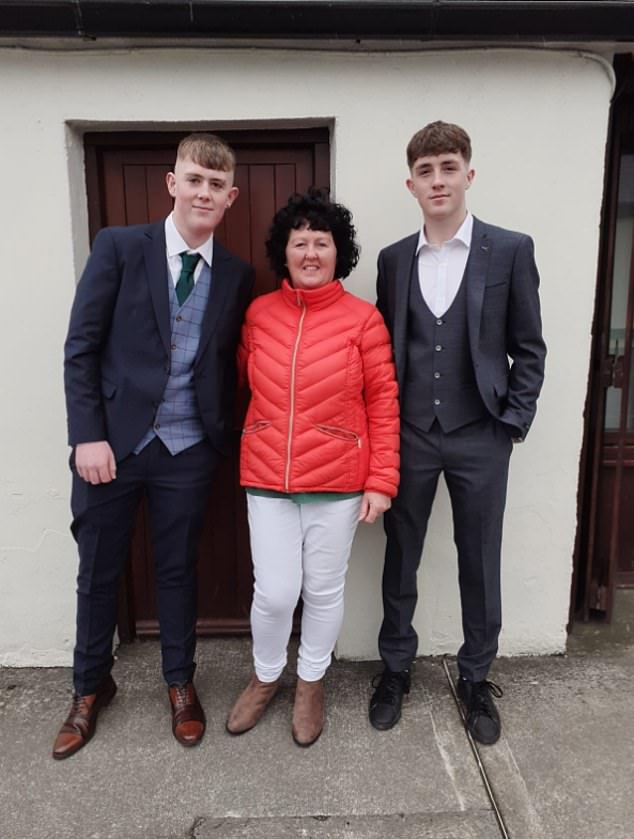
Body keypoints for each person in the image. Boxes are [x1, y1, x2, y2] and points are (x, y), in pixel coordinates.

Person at [54, 133, 254, 760]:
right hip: (110, 445)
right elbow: (81, 346)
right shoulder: (119, 247)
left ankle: (179, 681)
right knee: (98, 572)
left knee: (176, 569)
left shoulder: (238, 275)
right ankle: (90, 688)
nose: (203, 192)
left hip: (189, 449)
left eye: (215, 185)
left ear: (230, 197)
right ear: (173, 184)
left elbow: (228, 366)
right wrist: (87, 434)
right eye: (193, 179)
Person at [369, 121, 546, 745]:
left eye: (448, 167)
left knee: (480, 559)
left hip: (480, 434)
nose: (437, 180)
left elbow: (529, 347)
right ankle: (395, 669)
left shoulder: (510, 249)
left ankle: (475, 676)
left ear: (468, 174)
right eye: (426, 171)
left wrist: (511, 425)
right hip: (412, 433)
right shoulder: (394, 260)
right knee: (400, 558)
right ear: (410, 183)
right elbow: (391, 348)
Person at [226, 189, 399, 747]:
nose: (309, 253)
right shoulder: (258, 313)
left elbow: (384, 402)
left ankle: (311, 682)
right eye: (299, 242)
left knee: (323, 590)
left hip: (338, 481)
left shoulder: (363, 321)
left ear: (337, 252)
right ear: (284, 251)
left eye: (321, 243)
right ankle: (266, 676)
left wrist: (381, 480)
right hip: (267, 475)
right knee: (275, 592)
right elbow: (243, 381)